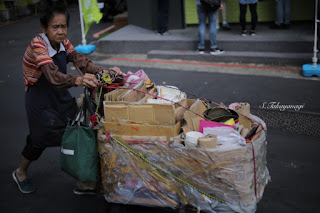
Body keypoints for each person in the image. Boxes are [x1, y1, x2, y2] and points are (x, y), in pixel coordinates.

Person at [12, 3, 122, 194]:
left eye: (63, 26)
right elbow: (53, 76)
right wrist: (79, 80)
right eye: (55, 27)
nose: (61, 31)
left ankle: (83, 183)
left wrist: (105, 72)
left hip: (60, 95)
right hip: (39, 99)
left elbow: (81, 61)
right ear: (44, 28)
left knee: (80, 133)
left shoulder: (64, 43)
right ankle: (21, 172)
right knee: (39, 139)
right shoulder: (38, 45)